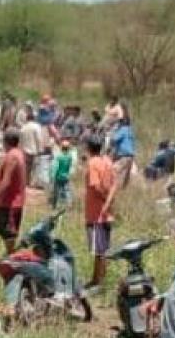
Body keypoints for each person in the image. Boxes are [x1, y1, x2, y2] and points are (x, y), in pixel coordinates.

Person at [84, 136, 117, 290]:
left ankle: (99, 282)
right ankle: (96, 279)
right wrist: (109, 201)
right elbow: (115, 184)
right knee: (102, 249)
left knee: (99, 250)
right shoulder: (108, 162)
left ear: (89, 148)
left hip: (96, 213)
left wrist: (104, 200)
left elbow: (95, 186)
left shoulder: (92, 163)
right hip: (107, 213)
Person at [0, 129, 27, 255]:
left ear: (6, 141)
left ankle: (11, 256)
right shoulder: (19, 154)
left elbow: (6, 180)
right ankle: (10, 254)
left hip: (9, 201)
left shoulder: (12, 156)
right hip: (14, 200)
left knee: (8, 232)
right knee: (7, 231)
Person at [110, 117, 137, 188]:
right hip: (131, 157)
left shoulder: (123, 130)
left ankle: (113, 188)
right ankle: (123, 189)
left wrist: (113, 133)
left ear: (122, 123)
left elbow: (113, 140)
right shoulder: (130, 131)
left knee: (113, 171)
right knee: (125, 177)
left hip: (124, 155)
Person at [50, 139, 77, 209]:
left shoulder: (59, 156)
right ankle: (69, 204)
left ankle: (55, 205)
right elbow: (70, 166)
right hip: (66, 176)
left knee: (56, 191)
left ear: (61, 147)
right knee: (67, 191)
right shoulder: (69, 157)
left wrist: (53, 175)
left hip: (58, 176)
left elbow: (55, 167)